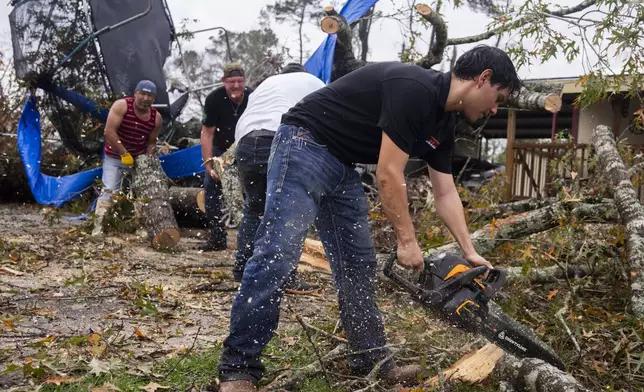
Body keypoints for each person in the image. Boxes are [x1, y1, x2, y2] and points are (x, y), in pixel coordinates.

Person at [217, 45, 522, 392]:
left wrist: (469, 251)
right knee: (279, 252)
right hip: (304, 143)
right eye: (498, 96)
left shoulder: (443, 124)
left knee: (357, 265)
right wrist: (407, 242)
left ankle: (371, 361)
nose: (495, 108)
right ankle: (238, 368)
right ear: (483, 79)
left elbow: (446, 193)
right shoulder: (416, 87)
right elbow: (389, 173)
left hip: (342, 164)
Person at [232, 63, 325, 293]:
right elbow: (328, 118)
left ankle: (242, 269)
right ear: (303, 74)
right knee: (290, 211)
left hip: (245, 142)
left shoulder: (265, 84)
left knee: (254, 208)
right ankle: (285, 275)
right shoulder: (313, 82)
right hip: (276, 138)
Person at [92, 80, 162, 236]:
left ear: (153, 98)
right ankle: (98, 227)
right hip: (115, 156)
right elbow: (109, 132)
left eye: (149, 95)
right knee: (109, 190)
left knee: (139, 193)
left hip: (138, 159)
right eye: (142, 94)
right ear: (135, 93)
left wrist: (147, 160)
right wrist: (123, 153)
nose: (145, 98)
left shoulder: (156, 118)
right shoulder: (121, 106)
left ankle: (140, 227)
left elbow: (151, 142)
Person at [199, 62, 254, 251]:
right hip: (221, 150)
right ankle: (217, 237)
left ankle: (251, 238)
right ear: (224, 81)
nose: (236, 86)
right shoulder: (214, 99)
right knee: (211, 188)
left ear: (245, 81)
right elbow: (207, 132)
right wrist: (209, 163)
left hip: (248, 148)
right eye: (232, 81)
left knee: (253, 190)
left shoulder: (253, 97)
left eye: (240, 81)